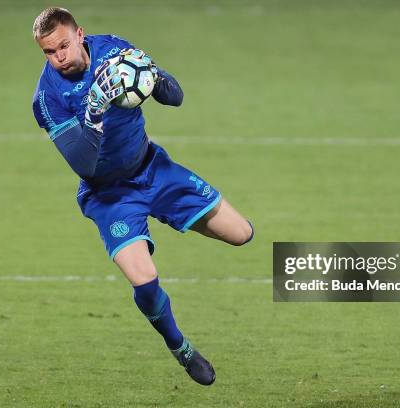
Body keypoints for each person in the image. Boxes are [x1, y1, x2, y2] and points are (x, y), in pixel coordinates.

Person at [31, 7, 253, 386]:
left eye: (63, 46)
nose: (59, 58)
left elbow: (175, 96)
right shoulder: (47, 99)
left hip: (153, 169)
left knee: (242, 233)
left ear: (80, 34)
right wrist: (96, 107)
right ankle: (180, 347)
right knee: (144, 279)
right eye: (49, 52)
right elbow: (84, 163)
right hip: (110, 195)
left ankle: (172, 214)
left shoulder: (115, 51)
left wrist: (152, 78)